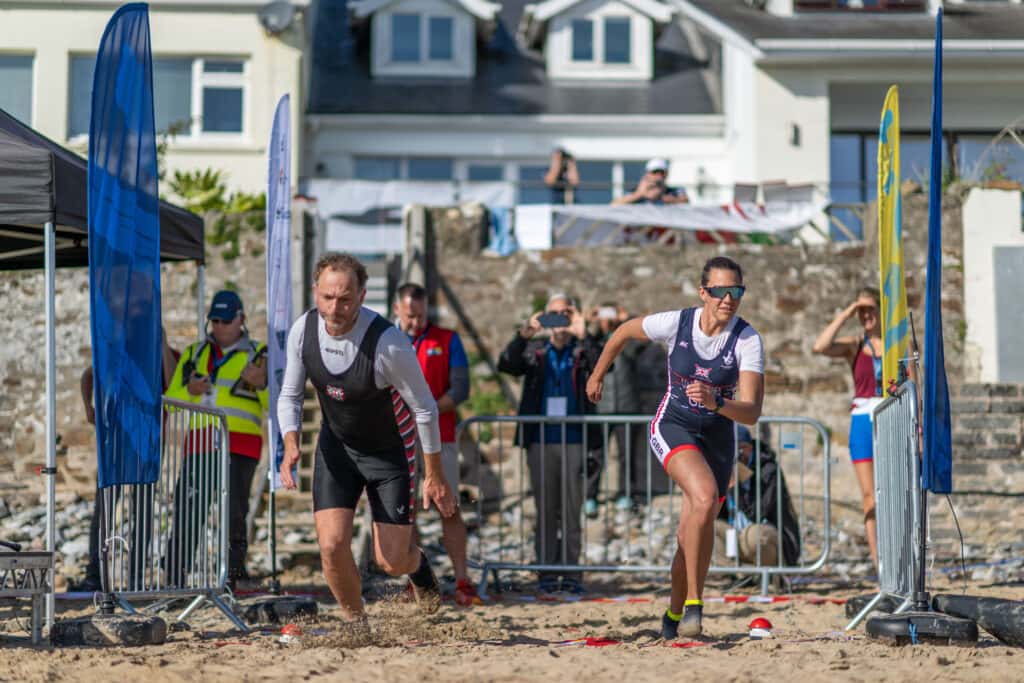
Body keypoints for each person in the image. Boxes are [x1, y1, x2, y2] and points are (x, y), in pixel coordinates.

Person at [586, 256, 764, 639]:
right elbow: (622, 332)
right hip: (674, 425)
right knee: (705, 496)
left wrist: (717, 402)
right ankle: (695, 606)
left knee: (692, 532)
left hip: (717, 435)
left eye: (736, 291)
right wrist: (597, 375)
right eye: (720, 291)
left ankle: (672, 614)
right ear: (703, 293)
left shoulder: (747, 339)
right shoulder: (676, 323)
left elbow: (751, 412)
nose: (728, 299)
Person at [277, 253, 455, 624]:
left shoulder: (388, 343)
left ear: (361, 295)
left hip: (388, 454)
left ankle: (417, 566)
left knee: (390, 561)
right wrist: (291, 443)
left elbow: (425, 408)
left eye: (345, 299)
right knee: (331, 546)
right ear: (315, 291)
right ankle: (356, 623)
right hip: (337, 449)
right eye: (327, 297)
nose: (334, 309)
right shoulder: (303, 330)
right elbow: (290, 395)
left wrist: (434, 474)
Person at [498, 294, 604, 595]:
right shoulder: (535, 350)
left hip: (575, 439)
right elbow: (506, 364)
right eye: (554, 314)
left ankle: (570, 572)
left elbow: (603, 367)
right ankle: (546, 570)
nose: (560, 320)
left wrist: (585, 333)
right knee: (545, 510)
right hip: (540, 440)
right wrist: (524, 335)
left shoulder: (581, 350)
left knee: (571, 511)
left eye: (565, 313)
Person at [164, 292, 268, 587]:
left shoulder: (260, 354)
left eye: (225, 320)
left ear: (241, 319)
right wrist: (190, 391)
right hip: (199, 444)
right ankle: (175, 579)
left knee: (235, 512)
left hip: (241, 444)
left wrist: (261, 384)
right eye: (215, 321)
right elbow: (171, 402)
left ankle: (233, 578)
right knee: (188, 509)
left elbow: (276, 405)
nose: (219, 326)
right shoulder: (194, 353)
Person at [392, 282, 481, 606]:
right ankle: (413, 581)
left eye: (420, 315)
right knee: (405, 513)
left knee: (449, 507)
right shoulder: (387, 340)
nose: (416, 322)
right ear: (397, 310)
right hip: (398, 438)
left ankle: (462, 579)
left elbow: (460, 389)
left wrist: (425, 411)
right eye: (409, 316)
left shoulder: (447, 339)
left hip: (440, 437)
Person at [72, 328, 179, 593]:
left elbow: (174, 383)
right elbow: (88, 374)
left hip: (148, 443)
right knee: (105, 508)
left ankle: (135, 578)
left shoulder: (166, 355)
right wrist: (88, 408)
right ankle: (95, 574)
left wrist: (162, 344)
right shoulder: (119, 354)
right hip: (117, 441)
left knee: (142, 510)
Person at [812, 287, 883, 568]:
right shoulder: (855, 344)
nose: (865, 315)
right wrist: (848, 311)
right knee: (869, 496)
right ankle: (879, 564)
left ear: (881, 310)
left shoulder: (898, 344)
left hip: (892, 418)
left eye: (870, 309)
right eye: (861, 311)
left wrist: (919, 432)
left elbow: (914, 384)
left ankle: (900, 558)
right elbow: (820, 346)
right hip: (862, 420)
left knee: (895, 492)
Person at [584, 304, 647, 515]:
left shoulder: (628, 341)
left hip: (627, 406)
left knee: (627, 455)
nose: (607, 320)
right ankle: (589, 496)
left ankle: (626, 494)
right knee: (595, 455)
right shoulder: (594, 341)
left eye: (610, 315)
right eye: (604, 315)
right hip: (600, 407)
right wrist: (589, 322)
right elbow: (584, 346)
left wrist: (627, 319)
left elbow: (642, 341)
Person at [712, 426, 801, 571]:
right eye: (731, 449)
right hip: (735, 534)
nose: (736, 454)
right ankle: (741, 574)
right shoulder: (725, 468)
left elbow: (757, 513)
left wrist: (737, 482)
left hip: (766, 535)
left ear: (750, 448)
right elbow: (716, 512)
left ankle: (769, 574)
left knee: (754, 535)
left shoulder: (768, 471)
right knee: (708, 529)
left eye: (740, 448)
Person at [612, 158, 688, 206]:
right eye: (655, 172)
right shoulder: (634, 192)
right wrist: (640, 194)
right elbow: (614, 204)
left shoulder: (675, 191)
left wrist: (662, 197)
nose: (658, 175)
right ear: (647, 174)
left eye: (662, 172)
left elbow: (685, 202)